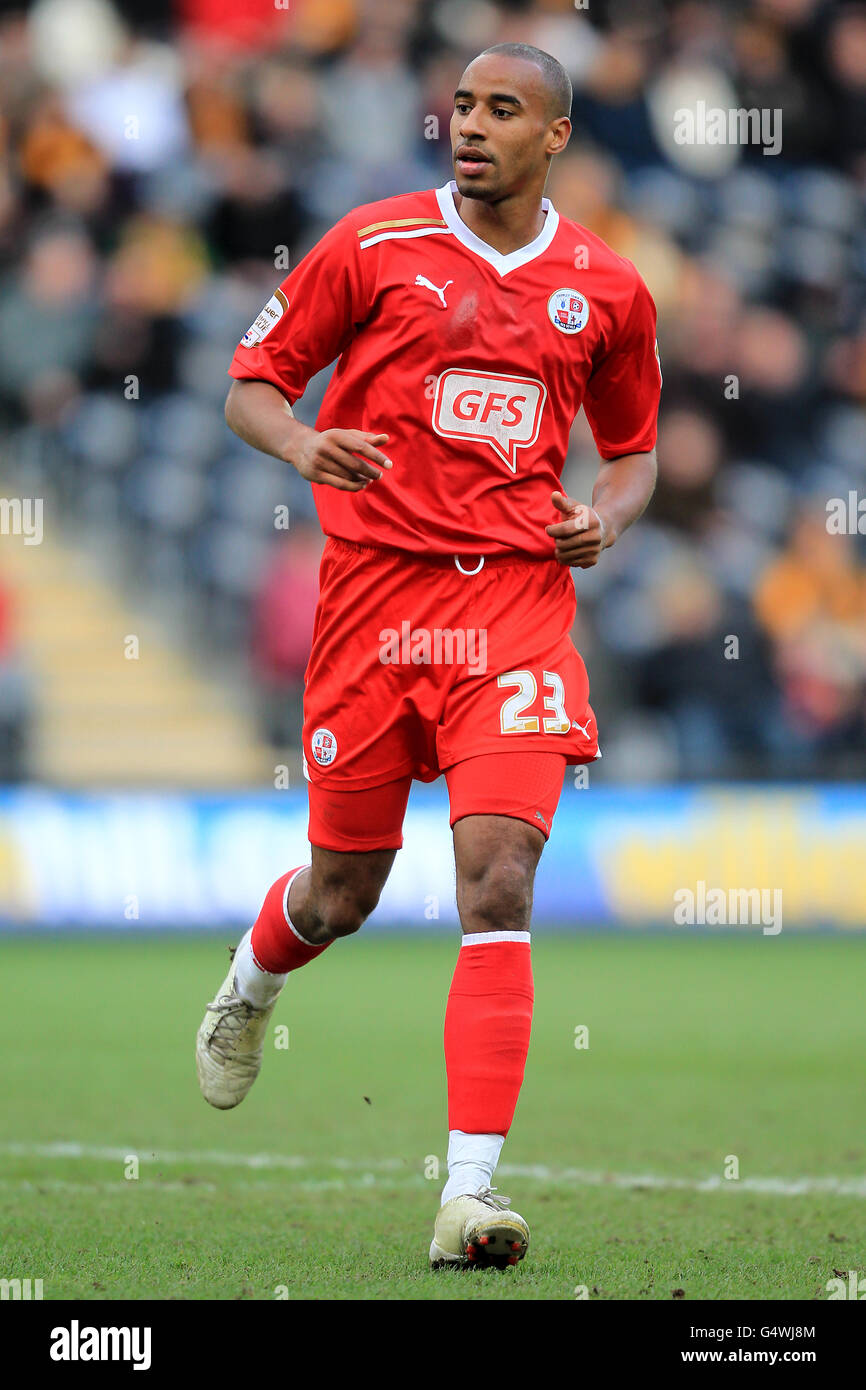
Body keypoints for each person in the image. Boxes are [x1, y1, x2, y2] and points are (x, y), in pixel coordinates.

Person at [196, 42, 660, 1271]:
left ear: (552, 135)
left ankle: (468, 1195)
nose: (469, 126)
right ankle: (248, 986)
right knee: (340, 892)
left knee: (495, 878)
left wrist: (600, 520)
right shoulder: (370, 243)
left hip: (513, 610)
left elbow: (633, 453)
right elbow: (250, 384)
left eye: (501, 110)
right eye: (460, 104)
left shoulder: (604, 288)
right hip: (373, 614)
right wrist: (300, 445)